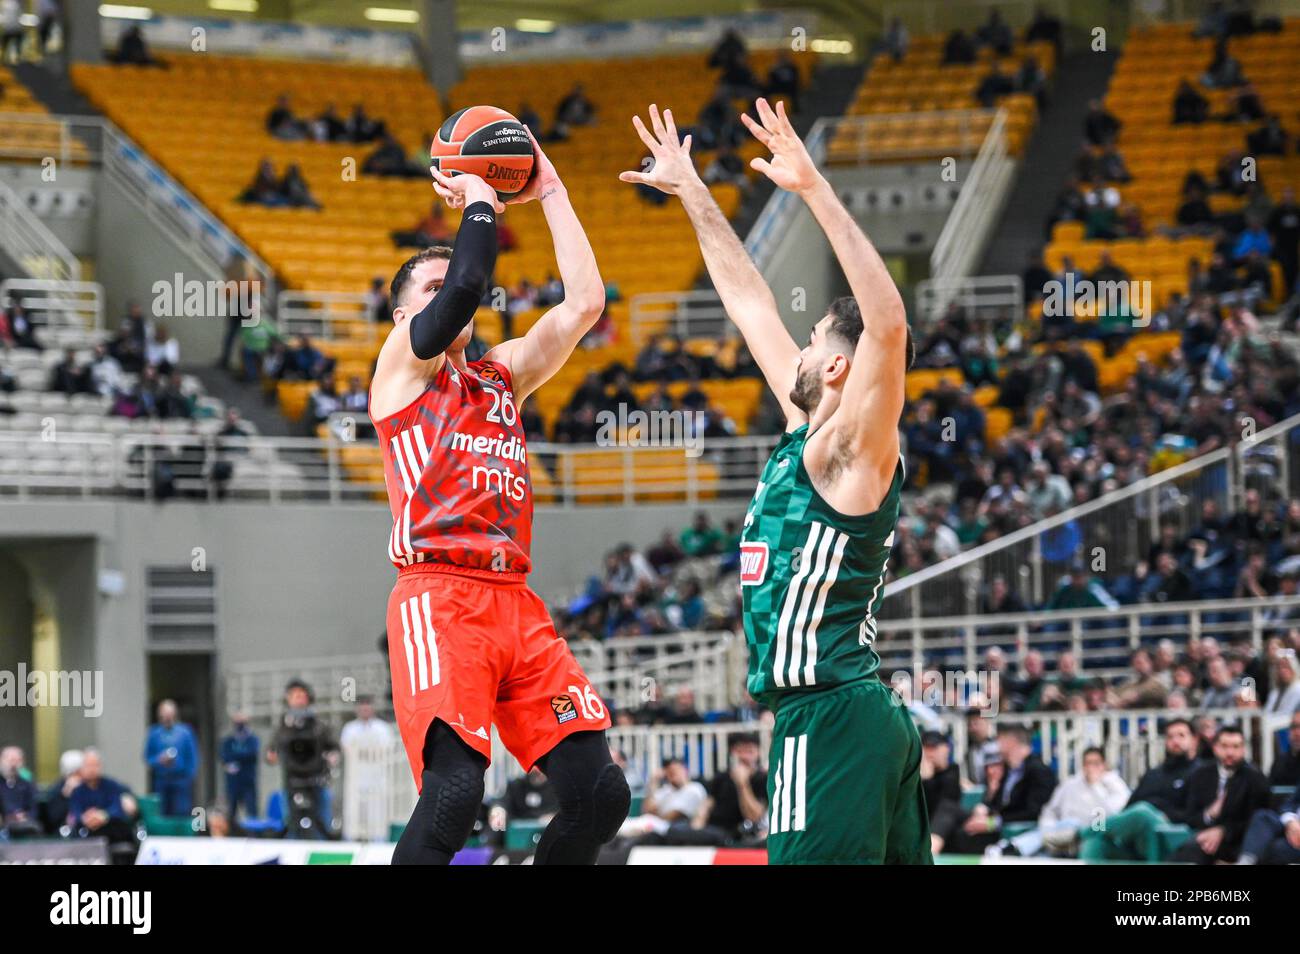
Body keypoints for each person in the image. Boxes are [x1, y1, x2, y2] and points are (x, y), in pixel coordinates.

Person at [621, 100, 927, 864]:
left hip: (828, 719)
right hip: (853, 718)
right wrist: (693, 193)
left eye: (816, 338)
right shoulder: (806, 438)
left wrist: (815, 191)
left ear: (833, 368)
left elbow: (887, 326)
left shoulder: (849, 451)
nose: (796, 347)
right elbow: (750, 299)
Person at [368, 129, 626, 866]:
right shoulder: (400, 369)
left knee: (599, 794)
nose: (450, 290)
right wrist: (482, 196)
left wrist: (551, 191)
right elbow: (466, 288)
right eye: (431, 285)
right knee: (454, 797)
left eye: (449, 281)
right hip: (439, 595)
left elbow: (584, 303)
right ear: (402, 317)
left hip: (513, 599)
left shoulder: (501, 377)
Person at [1079, 718, 1202, 860]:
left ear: (1194, 740)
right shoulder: (1154, 774)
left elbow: (1196, 814)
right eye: (1170, 736)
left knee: (1143, 812)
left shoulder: (1201, 772)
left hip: (1174, 833)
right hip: (1138, 836)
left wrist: (1161, 812)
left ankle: (1081, 833)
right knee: (1095, 843)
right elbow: (1129, 808)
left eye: (1181, 735)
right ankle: (1090, 834)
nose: (1175, 741)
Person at [990, 747, 1129, 857]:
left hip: (1091, 837)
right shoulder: (1071, 784)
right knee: (1041, 856)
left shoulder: (1115, 786)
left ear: (1104, 765)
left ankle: (1013, 847)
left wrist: (1095, 786)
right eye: (1087, 763)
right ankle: (1013, 850)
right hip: (1057, 839)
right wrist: (1048, 828)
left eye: (1095, 763)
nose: (1090, 767)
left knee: (1072, 824)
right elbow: (1050, 810)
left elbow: (1110, 817)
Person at [950, 724, 1057, 854]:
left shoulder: (1039, 771)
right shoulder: (1008, 769)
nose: (997, 745)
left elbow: (1033, 811)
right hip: (999, 825)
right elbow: (997, 803)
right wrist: (984, 809)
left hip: (1018, 832)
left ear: (1011, 742)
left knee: (962, 838)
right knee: (956, 824)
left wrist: (992, 823)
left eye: (1000, 740)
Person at [1172, 725, 1271, 863]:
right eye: (1224, 746)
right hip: (1206, 838)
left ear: (1243, 749)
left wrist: (1224, 831)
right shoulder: (1201, 775)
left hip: (1242, 841)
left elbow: (1258, 820)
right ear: (1215, 747)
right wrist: (1209, 814)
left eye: (1236, 747)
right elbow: (1190, 815)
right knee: (1188, 851)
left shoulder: (1255, 778)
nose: (1230, 752)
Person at [617, 757, 707, 839]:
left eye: (676, 771)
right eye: (670, 773)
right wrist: (653, 783)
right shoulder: (666, 790)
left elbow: (672, 817)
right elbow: (646, 809)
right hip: (658, 824)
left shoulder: (694, 789)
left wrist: (655, 812)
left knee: (642, 822)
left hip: (675, 828)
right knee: (626, 824)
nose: (673, 775)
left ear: (684, 770)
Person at [67, 749, 138, 847]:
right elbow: (76, 812)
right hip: (86, 829)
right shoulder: (77, 790)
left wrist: (103, 815)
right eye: (88, 765)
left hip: (110, 828)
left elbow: (117, 809)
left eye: (95, 765)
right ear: (81, 768)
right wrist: (87, 818)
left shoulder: (112, 786)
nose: (92, 769)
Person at [144, 699, 198, 817]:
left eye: (170, 713)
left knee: (181, 813)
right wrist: (159, 760)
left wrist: (189, 777)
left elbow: (193, 757)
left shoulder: (185, 733)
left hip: (181, 780)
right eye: (164, 713)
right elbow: (147, 757)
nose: (167, 716)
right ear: (159, 714)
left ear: (175, 713)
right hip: (161, 781)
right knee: (162, 814)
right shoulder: (154, 733)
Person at [919, 731, 961, 855]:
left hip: (950, 822)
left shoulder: (952, 771)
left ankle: (931, 852)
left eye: (934, 747)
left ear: (946, 749)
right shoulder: (915, 775)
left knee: (948, 807)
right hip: (927, 825)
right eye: (926, 748)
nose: (930, 752)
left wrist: (928, 780)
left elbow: (945, 800)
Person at [219, 712, 260, 820]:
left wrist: (236, 758)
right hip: (233, 781)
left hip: (248, 780)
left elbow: (251, 754)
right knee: (231, 810)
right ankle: (231, 833)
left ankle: (253, 834)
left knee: (251, 809)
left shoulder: (252, 740)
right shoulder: (229, 740)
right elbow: (224, 756)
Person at [0, 746, 41, 839]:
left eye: (17, 760)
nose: (13, 764)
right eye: (10, 760)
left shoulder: (27, 784)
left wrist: (25, 816)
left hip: (24, 825)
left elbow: (34, 807)